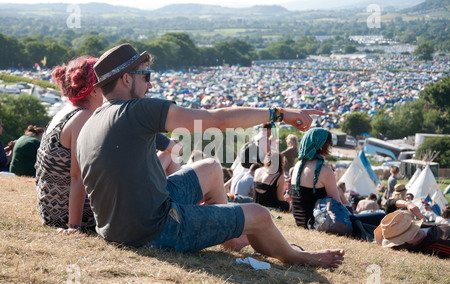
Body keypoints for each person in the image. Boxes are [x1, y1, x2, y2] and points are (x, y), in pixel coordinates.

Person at [76, 43, 345, 269]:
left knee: (211, 167)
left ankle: (229, 234)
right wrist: (281, 114)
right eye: (146, 76)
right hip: (154, 229)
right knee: (259, 215)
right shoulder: (137, 110)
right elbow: (216, 120)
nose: (150, 83)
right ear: (126, 79)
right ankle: (298, 257)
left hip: (116, 228)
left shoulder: (90, 123)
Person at [35, 56, 103, 233]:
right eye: (107, 84)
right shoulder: (84, 117)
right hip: (67, 215)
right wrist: (74, 226)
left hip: (51, 210)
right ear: (94, 90)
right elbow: (77, 176)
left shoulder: (65, 112)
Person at [290, 128, 341, 228]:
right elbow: (337, 205)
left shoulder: (298, 166)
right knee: (376, 216)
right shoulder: (325, 171)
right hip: (319, 223)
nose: (330, 147)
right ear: (321, 146)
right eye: (329, 144)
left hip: (300, 221)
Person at [375, 210, 449, 258]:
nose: (415, 233)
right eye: (408, 236)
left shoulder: (421, 226)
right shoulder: (440, 243)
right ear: (403, 244)